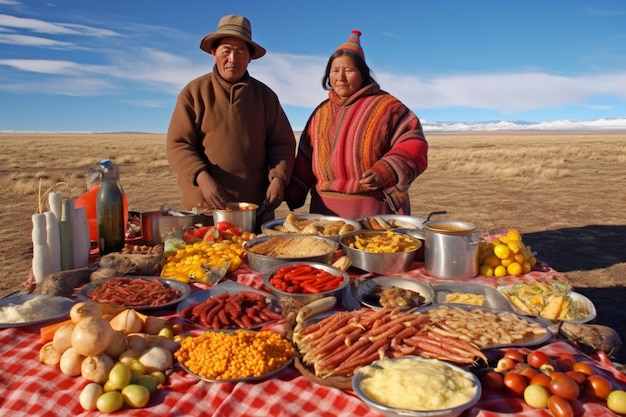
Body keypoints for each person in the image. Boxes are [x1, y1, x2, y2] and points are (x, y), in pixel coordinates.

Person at [166, 15, 296, 228]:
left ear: (250, 57)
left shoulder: (265, 97)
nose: (233, 58)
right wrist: (203, 178)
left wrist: (278, 179)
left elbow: (282, 144)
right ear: (213, 53)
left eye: (240, 51)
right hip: (205, 207)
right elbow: (178, 144)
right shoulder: (194, 93)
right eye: (226, 50)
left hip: (254, 209)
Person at [285, 30, 428, 218]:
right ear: (328, 76)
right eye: (335, 71)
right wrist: (290, 191)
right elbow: (306, 157)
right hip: (325, 214)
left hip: (376, 212)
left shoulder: (388, 107)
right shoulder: (320, 113)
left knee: (378, 247)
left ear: (363, 74)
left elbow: (413, 142)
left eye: (349, 70)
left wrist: (387, 170)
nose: (341, 77)